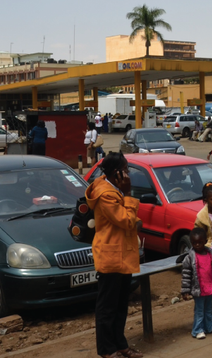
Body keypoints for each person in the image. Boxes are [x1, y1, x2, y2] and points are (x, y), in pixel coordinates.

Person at [85, 152, 144, 358]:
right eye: (125, 170)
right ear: (115, 173)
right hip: (111, 257)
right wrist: (128, 194)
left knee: (120, 307)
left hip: (122, 256)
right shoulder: (106, 194)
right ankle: (107, 350)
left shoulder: (113, 189)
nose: (128, 174)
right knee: (107, 308)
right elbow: (127, 221)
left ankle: (121, 345)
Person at [180, 227, 212, 339]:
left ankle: (210, 327)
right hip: (198, 290)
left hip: (209, 288)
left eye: (200, 242)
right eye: (194, 243)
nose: (197, 245)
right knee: (199, 311)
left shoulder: (211, 255)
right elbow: (186, 275)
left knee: (209, 309)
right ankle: (197, 330)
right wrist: (185, 290)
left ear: (205, 241)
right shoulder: (189, 258)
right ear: (191, 243)